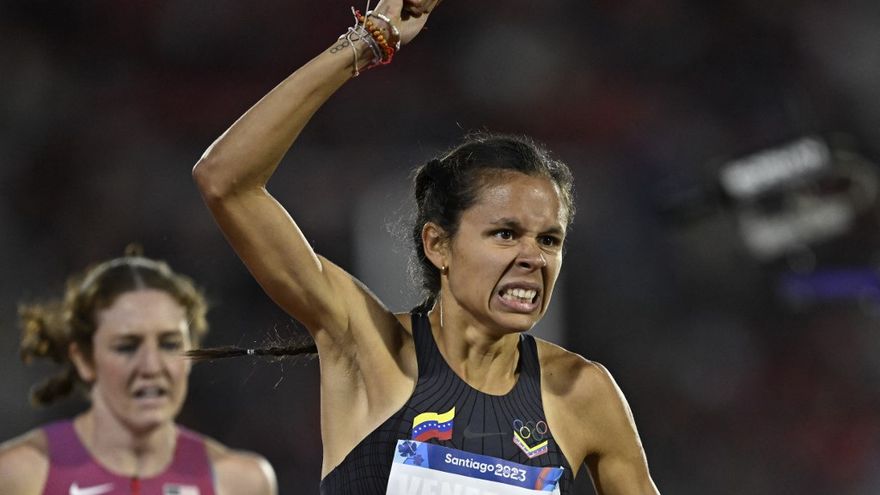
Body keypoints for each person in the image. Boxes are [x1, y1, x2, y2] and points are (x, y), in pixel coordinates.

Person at [191, 0, 660, 493]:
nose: (532, 257)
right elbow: (225, 181)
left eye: (549, 239)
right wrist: (367, 43)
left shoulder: (581, 394)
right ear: (438, 244)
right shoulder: (369, 350)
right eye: (505, 234)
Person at [0, 249, 278, 495]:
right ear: (84, 360)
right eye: (127, 347)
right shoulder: (19, 474)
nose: (151, 366)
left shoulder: (239, 483)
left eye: (169, 344)